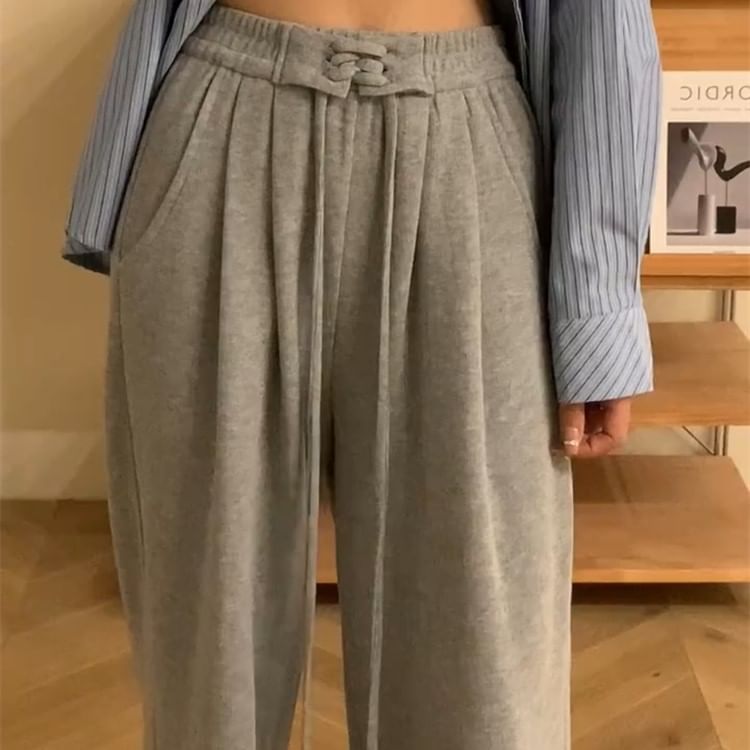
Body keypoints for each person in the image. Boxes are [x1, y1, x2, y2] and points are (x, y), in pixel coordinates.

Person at [61, 1, 661, 749]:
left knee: (482, 665)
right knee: (207, 663)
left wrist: (599, 302)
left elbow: (602, 26)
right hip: (223, 123)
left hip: (466, 145)